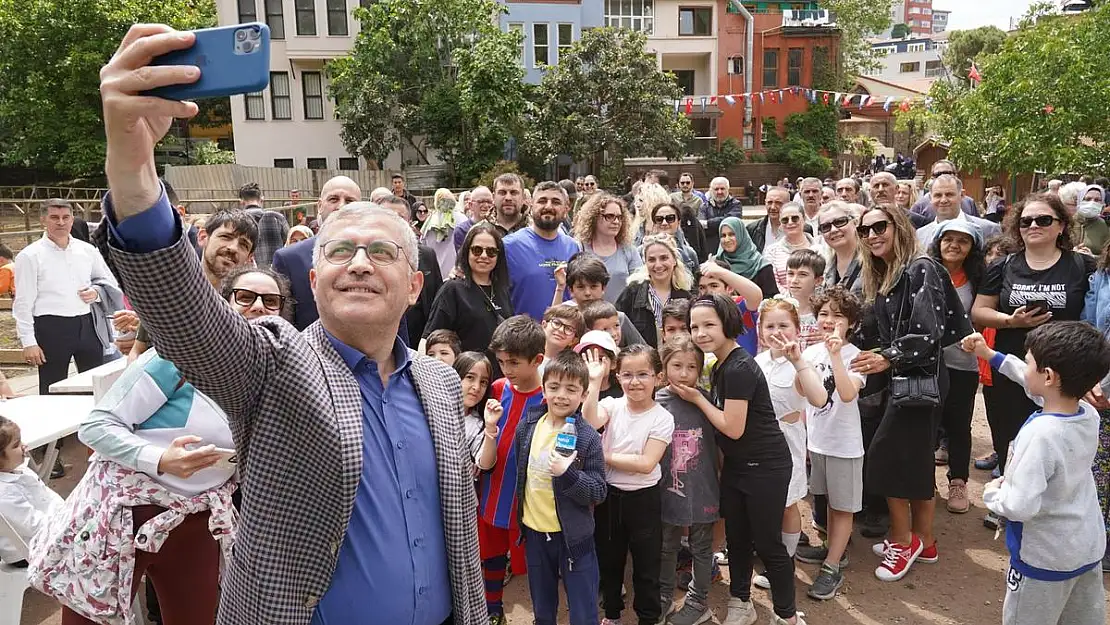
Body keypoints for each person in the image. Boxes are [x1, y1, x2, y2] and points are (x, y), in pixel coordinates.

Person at [101, 33, 489, 622]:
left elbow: (457, 539)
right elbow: (186, 319)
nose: (359, 262)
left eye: (381, 251)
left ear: (414, 287)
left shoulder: (438, 383)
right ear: (313, 281)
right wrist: (132, 171)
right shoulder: (273, 366)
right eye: (340, 252)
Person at [46, 267, 289, 625]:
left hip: (198, 522)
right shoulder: (177, 360)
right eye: (244, 297)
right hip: (127, 515)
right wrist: (160, 458)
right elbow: (97, 426)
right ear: (222, 305)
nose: (257, 307)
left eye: (270, 301)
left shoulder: (275, 376)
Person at [851, 204, 972, 582]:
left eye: (879, 226)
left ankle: (903, 541)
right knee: (917, 461)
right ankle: (926, 540)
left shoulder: (921, 268)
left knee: (886, 458)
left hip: (922, 378)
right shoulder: (888, 274)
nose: (872, 235)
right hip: (906, 377)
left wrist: (886, 357)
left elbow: (929, 331)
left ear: (898, 226)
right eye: (865, 230)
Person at [963, 323, 1110, 625]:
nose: (1025, 365)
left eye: (1028, 360)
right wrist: (990, 354)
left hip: (1043, 558)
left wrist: (995, 492)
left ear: (1048, 376)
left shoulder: (1042, 435)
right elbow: (1033, 384)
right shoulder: (1086, 413)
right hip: (1085, 548)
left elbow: (1019, 506)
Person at [972, 193, 1096, 528]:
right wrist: (1012, 321)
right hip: (1014, 367)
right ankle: (1011, 501)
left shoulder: (1083, 266)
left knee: (1061, 438)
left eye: (1043, 220)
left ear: (1061, 226)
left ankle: (1052, 507)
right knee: (1011, 436)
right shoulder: (1004, 266)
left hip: (1067, 371)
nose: (1033, 226)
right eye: (1026, 221)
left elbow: (1097, 316)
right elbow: (979, 311)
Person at [681, 294, 804, 625]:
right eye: (694, 326)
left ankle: (787, 616)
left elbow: (732, 427)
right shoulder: (721, 364)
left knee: (767, 542)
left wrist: (696, 398)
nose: (701, 332)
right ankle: (741, 601)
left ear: (727, 323)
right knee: (736, 538)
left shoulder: (737, 367)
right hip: (738, 466)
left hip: (766, 466)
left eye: (709, 324)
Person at [582, 344, 675, 625]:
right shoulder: (611, 405)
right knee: (610, 561)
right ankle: (612, 614)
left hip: (644, 500)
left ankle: (648, 617)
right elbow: (588, 420)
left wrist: (603, 456)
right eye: (627, 374)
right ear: (618, 377)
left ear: (658, 378)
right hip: (609, 497)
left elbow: (646, 463)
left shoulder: (662, 418)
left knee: (647, 566)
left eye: (643, 374)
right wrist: (595, 381)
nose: (635, 382)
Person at [515, 350, 607, 625]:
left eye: (571, 389)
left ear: (583, 394)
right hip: (534, 533)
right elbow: (521, 476)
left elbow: (599, 491)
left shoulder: (587, 437)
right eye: (554, 387)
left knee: (582, 611)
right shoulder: (529, 425)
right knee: (542, 608)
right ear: (543, 389)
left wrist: (568, 475)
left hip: (574, 540)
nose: (561, 395)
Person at [14, 198, 120, 435]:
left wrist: (96, 293)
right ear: (43, 220)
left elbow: (109, 282)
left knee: (94, 384)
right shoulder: (30, 256)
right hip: (51, 326)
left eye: (65, 217)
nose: (60, 222)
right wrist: (28, 342)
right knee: (51, 387)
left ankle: (94, 436)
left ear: (73, 219)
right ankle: (53, 446)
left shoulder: (87, 250)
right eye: (54, 217)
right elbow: (22, 303)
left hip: (87, 324)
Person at [793, 287, 867, 600]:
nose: (829, 320)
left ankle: (832, 566)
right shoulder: (809, 353)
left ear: (851, 323)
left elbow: (848, 393)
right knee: (824, 503)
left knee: (843, 507)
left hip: (845, 445)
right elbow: (800, 393)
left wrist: (836, 353)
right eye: (824, 313)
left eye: (838, 316)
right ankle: (830, 549)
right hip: (818, 443)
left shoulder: (856, 356)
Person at [751, 298, 825, 594]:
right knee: (763, 504)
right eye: (770, 325)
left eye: (784, 325)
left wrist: (797, 361)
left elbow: (819, 399)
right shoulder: (756, 362)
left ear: (797, 329)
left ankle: (786, 559)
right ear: (760, 330)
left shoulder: (801, 364)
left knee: (786, 503)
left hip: (785, 443)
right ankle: (768, 551)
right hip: (755, 442)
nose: (776, 331)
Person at [482, 315, 548, 625]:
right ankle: (492, 609)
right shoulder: (497, 388)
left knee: (533, 563)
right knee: (491, 555)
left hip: (528, 503)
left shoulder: (549, 399)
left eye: (513, 363)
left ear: (537, 360)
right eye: (501, 362)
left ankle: (542, 614)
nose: (506, 370)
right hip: (494, 492)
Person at [656, 334, 720, 625]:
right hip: (667, 489)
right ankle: (664, 599)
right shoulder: (655, 400)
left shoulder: (706, 400)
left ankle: (698, 601)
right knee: (667, 545)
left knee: (702, 548)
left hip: (703, 488)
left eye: (691, 367)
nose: (683, 373)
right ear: (664, 366)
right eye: (677, 365)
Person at [926, 220, 986, 514]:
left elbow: (983, 316)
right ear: (937, 242)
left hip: (963, 364)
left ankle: (958, 481)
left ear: (972, 248)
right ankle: (925, 480)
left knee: (959, 425)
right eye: (948, 238)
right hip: (929, 362)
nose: (954, 245)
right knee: (927, 422)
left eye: (962, 241)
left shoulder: (978, 279)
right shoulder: (925, 273)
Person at [271, 175, 362, 330]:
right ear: (320, 206)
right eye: (333, 199)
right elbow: (281, 325)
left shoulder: (381, 255)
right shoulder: (289, 259)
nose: (341, 206)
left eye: (349, 201)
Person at [424, 222, 513, 358]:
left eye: (491, 252)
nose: (484, 256)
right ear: (466, 252)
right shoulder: (452, 289)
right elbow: (430, 338)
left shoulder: (502, 289)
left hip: (499, 374)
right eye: (477, 250)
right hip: (464, 374)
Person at [505, 182, 580, 321]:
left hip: (565, 335)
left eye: (556, 202)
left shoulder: (574, 247)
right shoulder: (509, 246)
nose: (548, 206)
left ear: (566, 208)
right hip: (522, 336)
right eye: (542, 201)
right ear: (531, 205)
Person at [0, 416, 63, 567]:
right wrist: (66, 523)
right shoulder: (4, 493)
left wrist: (67, 511)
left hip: (50, 529)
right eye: (16, 445)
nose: (24, 446)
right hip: (27, 550)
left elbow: (48, 495)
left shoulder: (20, 469)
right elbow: (33, 525)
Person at [616, 234, 695, 348]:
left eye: (664, 258)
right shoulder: (632, 293)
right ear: (645, 263)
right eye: (652, 260)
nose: (658, 265)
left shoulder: (686, 297)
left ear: (674, 261)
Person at [555, 253, 646, 346]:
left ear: (603, 288)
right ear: (571, 290)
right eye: (581, 287)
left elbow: (644, 352)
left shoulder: (618, 318)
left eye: (593, 286)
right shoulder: (568, 320)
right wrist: (560, 288)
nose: (587, 293)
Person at [572, 193, 642, 303]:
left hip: (621, 316)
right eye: (609, 216)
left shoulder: (628, 250)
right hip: (588, 314)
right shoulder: (579, 247)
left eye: (619, 217)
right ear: (593, 218)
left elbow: (640, 285)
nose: (616, 221)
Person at [696, 260, 764, 358]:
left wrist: (719, 271)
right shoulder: (698, 312)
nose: (708, 292)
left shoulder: (740, 306)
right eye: (702, 288)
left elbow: (756, 295)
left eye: (714, 286)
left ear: (730, 288)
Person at [914, 175, 1000, 247]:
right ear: (930, 198)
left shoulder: (989, 230)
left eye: (949, 194)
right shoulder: (920, 235)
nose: (943, 200)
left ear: (962, 196)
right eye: (938, 195)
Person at [452, 351, 499, 474]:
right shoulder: (433, 409)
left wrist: (490, 427)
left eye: (483, 382)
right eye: (470, 377)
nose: (476, 387)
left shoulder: (476, 424)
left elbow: (485, 464)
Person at [713, 217, 779, 299]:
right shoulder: (715, 264)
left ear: (741, 235)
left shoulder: (761, 265)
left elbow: (770, 299)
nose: (727, 239)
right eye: (723, 235)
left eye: (732, 234)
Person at [763, 203, 815, 294]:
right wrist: (792, 301)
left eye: (795, 218)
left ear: (804, 219)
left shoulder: (819, 248)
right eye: (785, 220)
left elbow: (825, 279)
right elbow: (774, 283)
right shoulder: (771, 251)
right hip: (784, 303)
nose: (790, 222)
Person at [745, 187, 812, 254]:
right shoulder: (753, 229)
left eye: (778, 203)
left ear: (788, 204)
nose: (773, 207)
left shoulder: (804, 228)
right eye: (770, 202)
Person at [238, 182, 289, 268]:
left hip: (247, 274)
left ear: (241, 202)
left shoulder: (236, 221)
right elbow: (289, 242)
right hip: (275, 273)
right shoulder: (278, 218)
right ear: (262, 200)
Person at [911, 160, 978, 219]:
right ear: (932, 177)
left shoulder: (969, 203)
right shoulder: (920, 206)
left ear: (955, 175)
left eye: (947, 173)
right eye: (938, 174)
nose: (943, 176)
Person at [421, 188, 459, 278]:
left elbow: (423, 244)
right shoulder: (461, 218)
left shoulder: (429, 221)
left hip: (434, 270)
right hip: (454, 270)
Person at [700, 177, 743, 253]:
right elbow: (701, 229)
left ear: (728, 190)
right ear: (710, 191)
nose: (719, 192)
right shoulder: (704, 207)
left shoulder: (736, 205)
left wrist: (708, 223)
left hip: (731, 251)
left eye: (722, 189)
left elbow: (732, 223)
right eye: (716, 189)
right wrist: (723, 221)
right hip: (710, 251)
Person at [539, 304, 585, 371]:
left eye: (569, 329)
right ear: (544, 325)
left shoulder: (571, 369)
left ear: (574, 340)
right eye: (557, 323)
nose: (560, 330)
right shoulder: (525, 354)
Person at [453, 186, 494, 251]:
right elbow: (461, 258)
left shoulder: (497, 228)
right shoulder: (462, 230)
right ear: (470, 205)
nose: (486, 206)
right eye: (481, 202)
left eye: (489, 202)